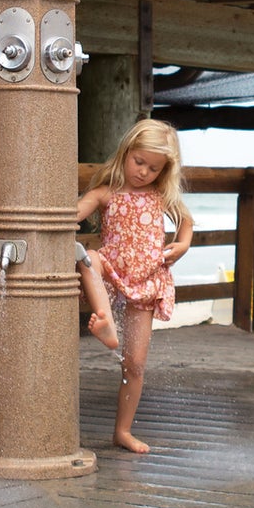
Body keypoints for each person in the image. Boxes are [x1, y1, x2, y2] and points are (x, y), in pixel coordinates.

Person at [78, 118, 193, 453]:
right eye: (138, 161)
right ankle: (105, 320)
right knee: (90, 257)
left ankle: (123, 431)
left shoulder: (160, 196)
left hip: (146, 281)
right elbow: (74, 212)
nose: (143, 172)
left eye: (153, 168)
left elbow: (186, 222)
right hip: (112, 271)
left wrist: (183, 245)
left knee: (135, 365)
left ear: (164, 171)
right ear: (126, 153)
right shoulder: (106, 193)